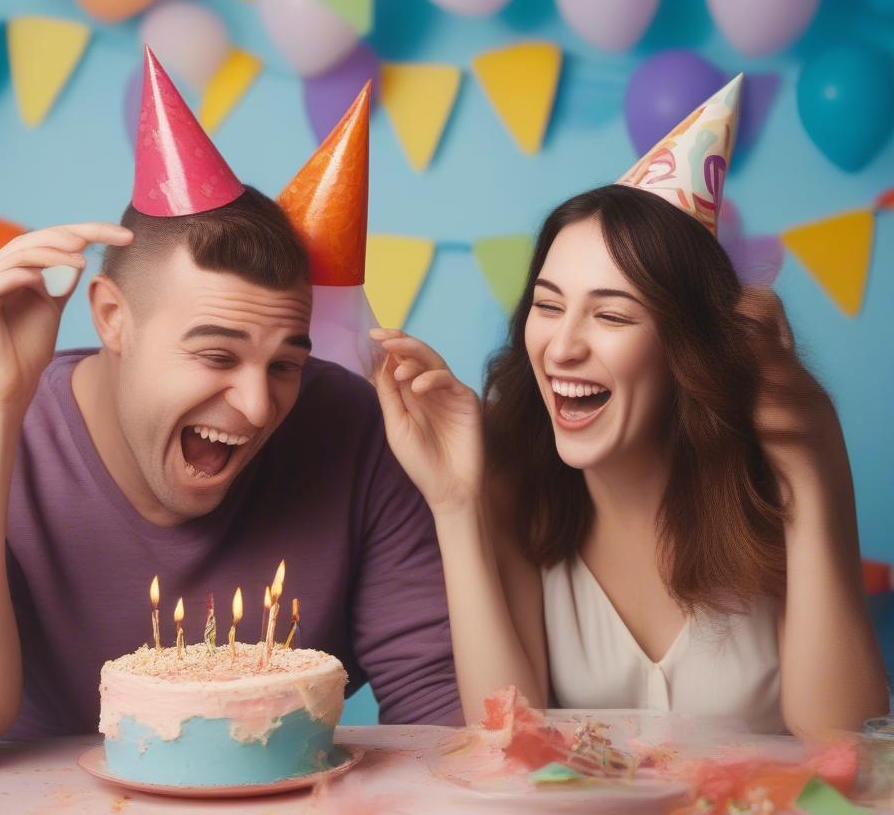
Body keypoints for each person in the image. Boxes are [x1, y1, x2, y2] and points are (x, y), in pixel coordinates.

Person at [0, 50, 460, 776]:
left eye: (285, 363)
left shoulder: (353, 425)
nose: (256, 405)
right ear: (112, 319)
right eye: (217, 357)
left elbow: (448, 728)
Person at [372, 76, 888, 738]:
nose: (562, 346)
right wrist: (454, 504)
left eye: (611, 315)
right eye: (549, 306)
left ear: (686, 346)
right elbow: (508, 742)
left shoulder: (777, 472)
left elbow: (844, 738)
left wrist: (808, 462)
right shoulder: (511, 483)